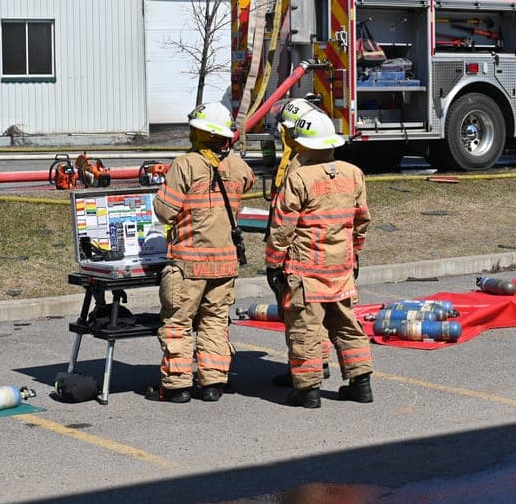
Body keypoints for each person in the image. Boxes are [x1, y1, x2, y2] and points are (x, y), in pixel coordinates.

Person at [265, 109, 373, 409]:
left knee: (306, 328)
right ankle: (361, 382)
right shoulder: (353, 173)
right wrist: (354, 254)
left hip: (306, 270)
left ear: (303, 144)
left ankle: (308, 390)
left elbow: (282, 227)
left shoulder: (298, 177)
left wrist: (274, 263)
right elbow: (362, 220)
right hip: (341, 267)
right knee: (347, 324)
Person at [151, 102, 255, 403]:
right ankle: (213, 384)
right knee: (214, 321)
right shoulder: (236, 165)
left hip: (188, 265)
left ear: (201, 133)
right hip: (225, 264)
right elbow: (247, 181)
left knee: (179, 324)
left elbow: (164, 211)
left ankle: (177, 385)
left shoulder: (186, 164)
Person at [267, 97, 334, 388]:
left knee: (300, 317)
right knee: (314, 315)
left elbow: (285, 220)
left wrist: (274, 260)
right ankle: (320, 362)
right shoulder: (317, 161)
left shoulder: (298, 167)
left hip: (300, 255)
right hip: (325, 252)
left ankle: (307, 374)